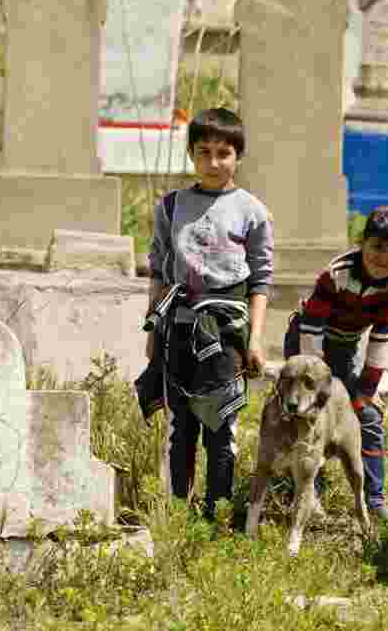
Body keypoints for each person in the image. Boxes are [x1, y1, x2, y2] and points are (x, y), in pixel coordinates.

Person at [144, 107, 274, 519]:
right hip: (179, 327)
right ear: (191, 154)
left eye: (224, 153)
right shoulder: (170, 206)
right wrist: (153, 331)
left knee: (222, 428)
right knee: (181, 428)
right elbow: (160, 270)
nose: (214, 163)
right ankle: (178, 511)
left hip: (227, 333)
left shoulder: (253, 211)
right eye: (204, 152)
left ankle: (217, 513)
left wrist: (254, 339)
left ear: (238, 156)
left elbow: (260, 281)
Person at [283, 205, 388, 525]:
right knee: (305, 414)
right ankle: (303, 492)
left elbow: (382, 337)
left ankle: (375, 500)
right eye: (377, 247)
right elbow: (312, 329)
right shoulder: (337, 273)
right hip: (308, 344)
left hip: (344, 347)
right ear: (362, 243)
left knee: (366, 415)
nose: (383, 257)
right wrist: (317, 384)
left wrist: (365, 391)